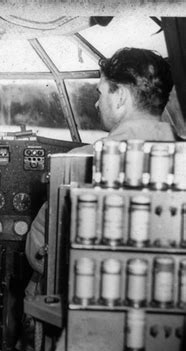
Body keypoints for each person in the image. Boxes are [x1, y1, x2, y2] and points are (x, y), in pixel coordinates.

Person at [26, 47, 176, 285]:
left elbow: (40, 254)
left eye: (101, 93)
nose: (97, 104)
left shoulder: (78, 164)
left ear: (120, 97)